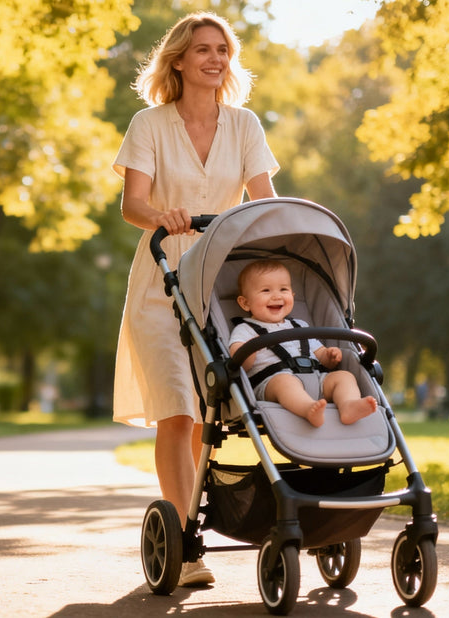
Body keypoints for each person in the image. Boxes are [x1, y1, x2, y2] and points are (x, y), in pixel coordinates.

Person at [111, 12, 279, 587]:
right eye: (203, 49)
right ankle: (186, 544)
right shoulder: (149, 124)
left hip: (219, 290)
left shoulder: (246, 125)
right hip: (161, 285)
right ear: (179, 59)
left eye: (223, 50)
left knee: (225, 415)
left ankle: (253, 512)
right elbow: (133, 204)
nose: (215, 59)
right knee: (179, 412)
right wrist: (163, 216)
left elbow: (264, 202)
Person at [228, 260, 378, 427]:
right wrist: (248, 351)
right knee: (285, 382)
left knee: (344, 376)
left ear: (292, 296)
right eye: (266, 290)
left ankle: (348, 405)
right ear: (245, 303)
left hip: (315, 378)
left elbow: (320, 354)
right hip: (272, 382)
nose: (277, 296)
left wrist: (330, 356)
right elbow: (238, 361)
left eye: (283, 289)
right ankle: (307, 409)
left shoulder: (300, 326)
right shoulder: (245, 329)